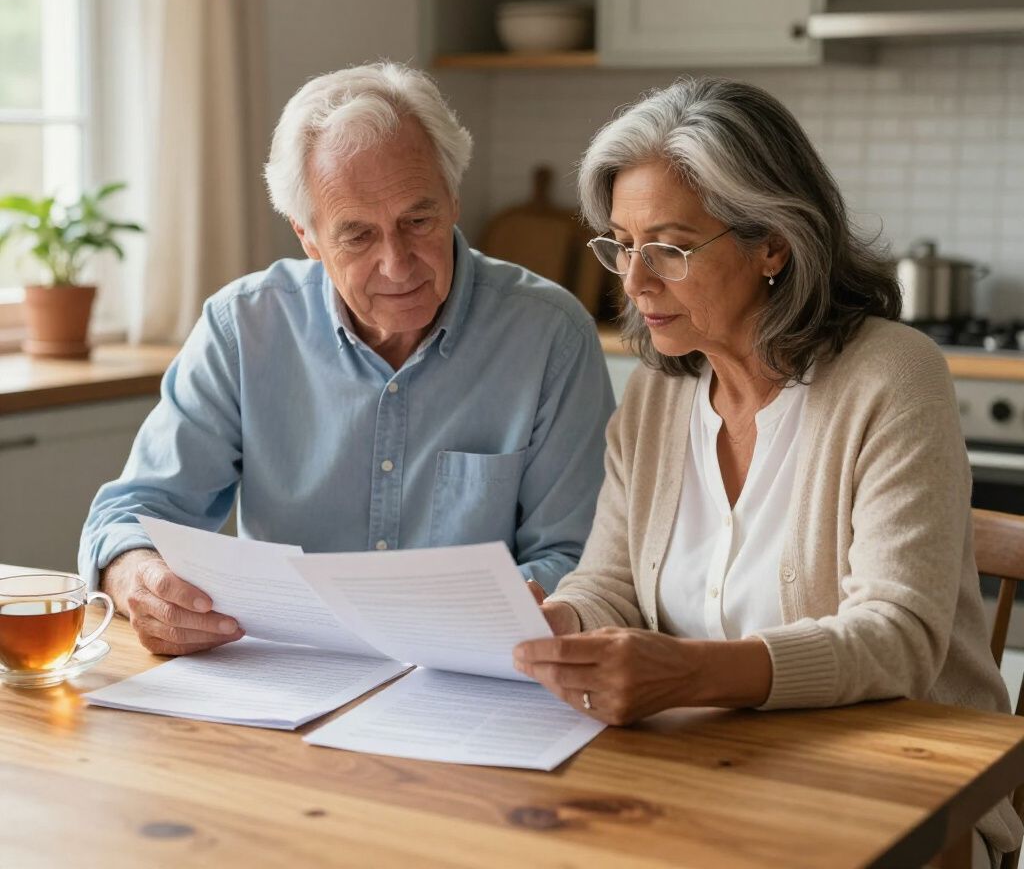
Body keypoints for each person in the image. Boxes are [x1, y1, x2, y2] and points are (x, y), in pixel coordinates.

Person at [511, 76, 1021, 864]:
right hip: (707, 781)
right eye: (621, 244)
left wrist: (687, 675)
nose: (635, 282)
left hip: (902, 799)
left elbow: (898, 638)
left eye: (671, 248)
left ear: (772, 243)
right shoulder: (654, 395)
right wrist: (565, 625)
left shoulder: (891, 376)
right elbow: (609, 581)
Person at [80, 62, 614, 658]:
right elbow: (131, 515)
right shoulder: (244, 328)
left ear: (453, 198)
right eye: (358, 235)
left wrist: (454, 617)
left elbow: (579, 559)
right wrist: (138, 579)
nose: (397, 263)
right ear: (306, 236)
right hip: (285, 685)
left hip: (470, 677)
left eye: (418, 219)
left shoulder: (549, 334)